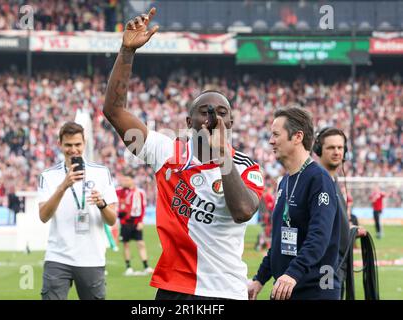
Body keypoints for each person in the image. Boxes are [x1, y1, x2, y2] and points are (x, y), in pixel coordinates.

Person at [103, 7, 264, 300]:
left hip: (225, 291)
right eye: (205, 111)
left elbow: (243, 212)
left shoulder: (245, 166)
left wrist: (221, 155)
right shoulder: (167, 151)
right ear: (189, 123)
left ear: (231, 122)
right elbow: (114, 112)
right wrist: (127, 52)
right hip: (174, 290)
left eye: (222, 113)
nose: (213, 117)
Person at [249, 107, 341, 300]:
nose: (271, 141)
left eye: (276, 134)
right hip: (286, 289)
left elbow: (319, 236)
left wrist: (293, 273)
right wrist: (260, 278)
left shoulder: (319, 179)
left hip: (314, 291)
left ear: (297, 136)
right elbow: (280, 241)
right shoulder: (285, 181)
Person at [37, 122, 118, 300]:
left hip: (92, 257)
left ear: (84, 143)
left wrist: (102, 204)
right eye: (68, 145)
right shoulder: (48, 176)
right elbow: (43, 216)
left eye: (77, 144)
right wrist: (63, 186)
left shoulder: (101, 173)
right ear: (60, 144)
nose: (73, 150)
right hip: (58, 257)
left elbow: (112, 220)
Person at [313, 127, 367, 297]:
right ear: (318, 150)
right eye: (330, 148)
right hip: (325, 268)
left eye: (340, 147)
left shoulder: (333, 180)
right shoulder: (318, 181)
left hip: (337, 265)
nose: (336, 152)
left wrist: (351, 230)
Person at [116, 168, 152, 275]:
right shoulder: (118, 191)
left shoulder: (139, 192)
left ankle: (146, 266)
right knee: (126, 244)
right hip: (124, 223)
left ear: (132, 180)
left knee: (141, 244)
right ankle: (128, 267)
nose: (124, 182)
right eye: (124, 180)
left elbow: (143, 207)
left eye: (127, 180)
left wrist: (141, 221)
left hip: (136, 222)